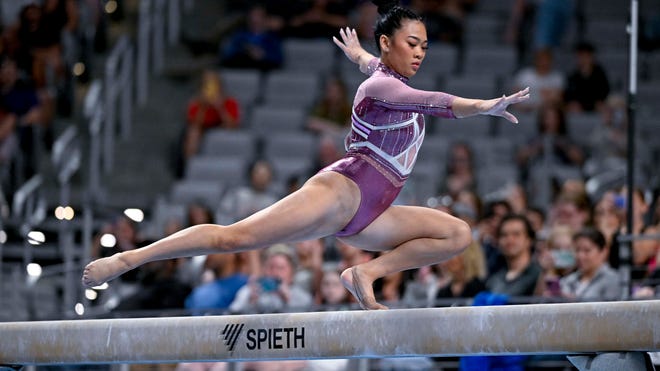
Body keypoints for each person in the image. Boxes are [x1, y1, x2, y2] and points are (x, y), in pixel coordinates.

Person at [82, 0, 530, 310]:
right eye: (411, 43)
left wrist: (357, 53)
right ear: (388, 43)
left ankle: (366, 274)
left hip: (372, 216)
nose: (419, 52)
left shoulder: (380, 73)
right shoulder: (383, 87)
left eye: (425, 46)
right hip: (342, 192)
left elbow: (369, 64)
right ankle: (128, 259)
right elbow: (437, 102)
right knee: (234, 239)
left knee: (457, 234)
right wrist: (485, 106)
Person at [559, 227, 622, 301]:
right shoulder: (568, 280)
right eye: (577, 250)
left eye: (587, 250)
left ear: (603, 252)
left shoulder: (613, 279)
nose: (580, 256)